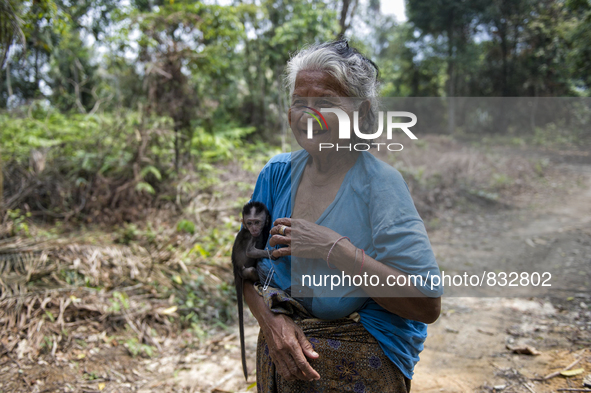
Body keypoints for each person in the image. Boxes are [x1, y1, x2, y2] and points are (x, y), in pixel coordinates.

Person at [242, 40, 443, 393]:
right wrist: (272, 322)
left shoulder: (379, 185)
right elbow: (242, 262)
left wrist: (332, 248)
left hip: (362, 354)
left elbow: (426, 303)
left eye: (325, 103)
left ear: (361, 114)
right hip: (285, 351)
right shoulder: (275, 174)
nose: (308, 115)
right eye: (299, 103)